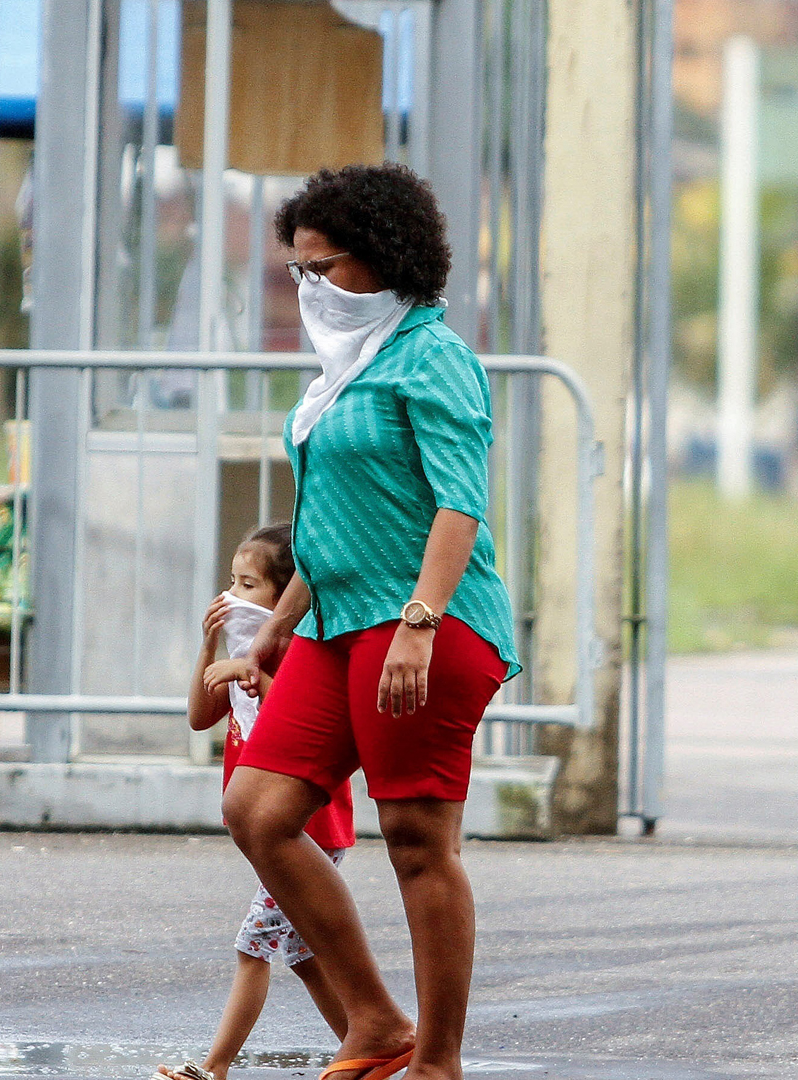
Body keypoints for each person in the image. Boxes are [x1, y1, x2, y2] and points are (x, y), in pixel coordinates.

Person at [223, 162, 518, 1080]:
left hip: (426, 624)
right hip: (333, 621)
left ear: (387, 259)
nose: (312, 286)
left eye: (328, 265)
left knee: (417, 841)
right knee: (258, 810)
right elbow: (338, 522)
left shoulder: (431, 355)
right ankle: (376, 1022)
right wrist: (278, 623)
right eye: (299, 269)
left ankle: (437, 1060)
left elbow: (458, 505)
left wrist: (421, 621)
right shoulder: (342, 367)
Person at [159, 524, 356, 1080]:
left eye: (247, 585)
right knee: (303, 955)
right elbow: (201, 717)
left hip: (307, 830)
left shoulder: (299, 656)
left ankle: (214, 1068)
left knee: (253, 946)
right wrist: (209, 648)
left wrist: (255, 674)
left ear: (283, 598)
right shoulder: (242, 650)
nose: (231, 596)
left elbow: (296, 729)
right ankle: (368, 1047)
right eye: (230, 581)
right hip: (274, 829)